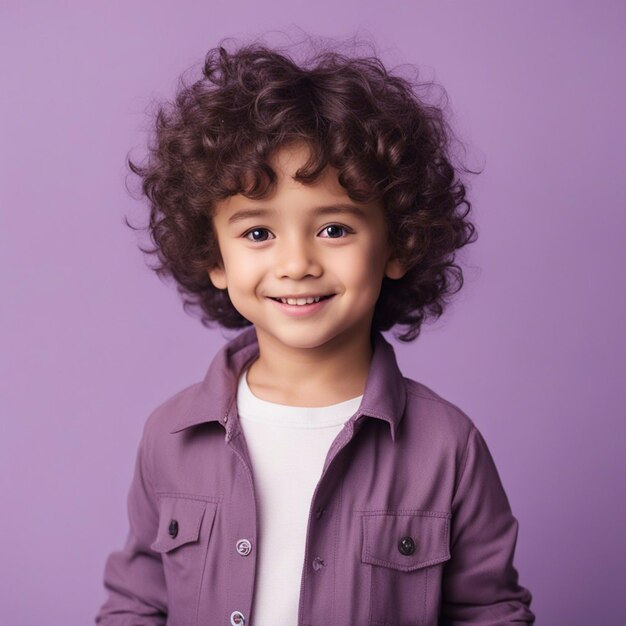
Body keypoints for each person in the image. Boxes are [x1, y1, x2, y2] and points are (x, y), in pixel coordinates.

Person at [95, 37, 535, 625]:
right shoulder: (170, 437)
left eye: (333, 229)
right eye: (258, 234)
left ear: (398, 243)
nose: (297, 262)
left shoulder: (448, 447)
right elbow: (137, 604)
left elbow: (490, 613)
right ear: (215, 257)